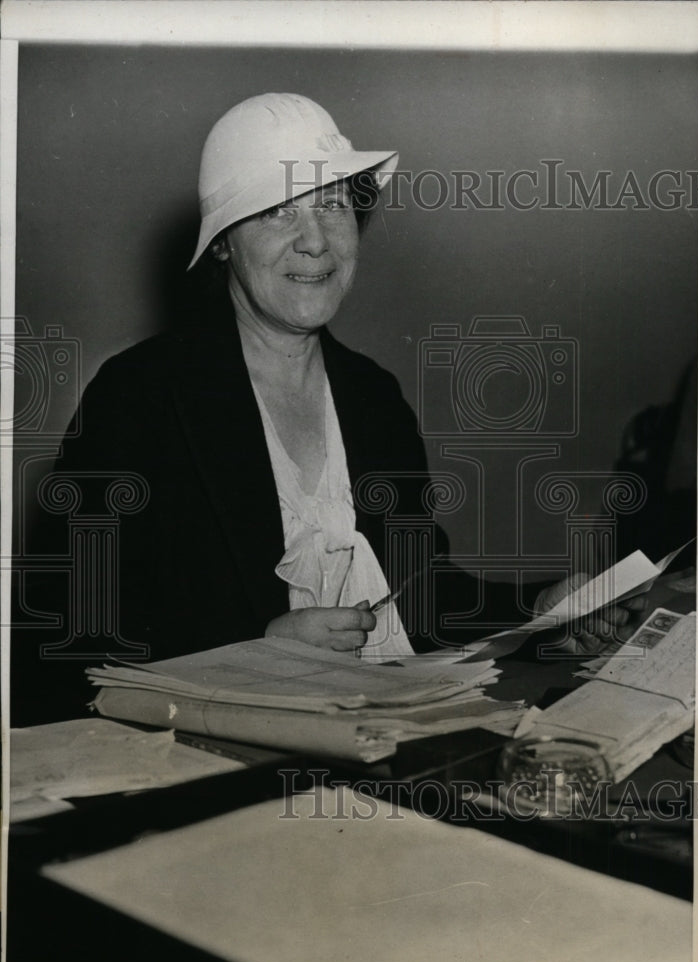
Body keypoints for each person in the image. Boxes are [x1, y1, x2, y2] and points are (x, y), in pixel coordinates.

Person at [14, 93, 640, 724]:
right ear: (225, 244)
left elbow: (419, 598)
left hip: (374, 731)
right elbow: (66, 622)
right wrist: (252, 646)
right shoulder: (140, 394)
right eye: (277, 213)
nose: (314, 241)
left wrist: (543, 609)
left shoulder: (374, 397)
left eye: (333, 205)